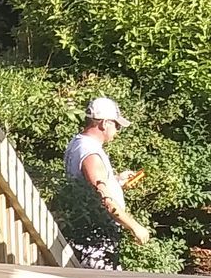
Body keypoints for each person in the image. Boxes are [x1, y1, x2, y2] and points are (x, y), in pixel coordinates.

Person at [64, 97, 149, 265]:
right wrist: (135, 227)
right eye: (116, 125)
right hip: (96, 239)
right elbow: (105, 200)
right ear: (104, 123)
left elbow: (91, 185)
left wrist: (116, 181)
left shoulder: (77, 143)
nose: (117, 130)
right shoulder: (91, 154)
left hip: (87, 232)